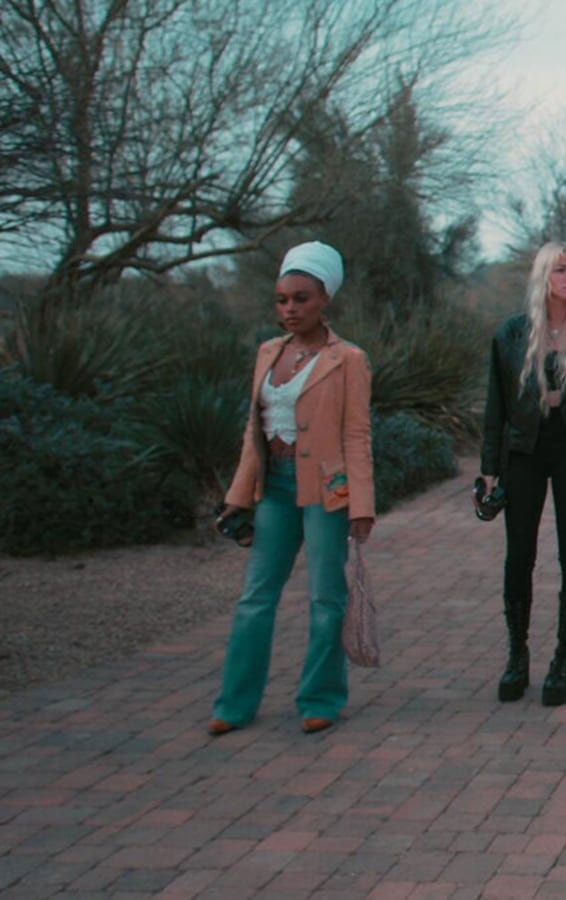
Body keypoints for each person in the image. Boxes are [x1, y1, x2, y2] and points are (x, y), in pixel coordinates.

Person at [208, 241, 374, 737]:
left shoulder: (348, 359)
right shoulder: (267, 353)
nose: (289, 309)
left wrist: (361, 506)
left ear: (325, 299)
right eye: (282, 299)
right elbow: (251, 432)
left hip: (327, 492)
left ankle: (320, 697)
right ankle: (234, 704)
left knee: (326, 597)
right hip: (273, 489)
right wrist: (237, 498)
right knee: (255, 597)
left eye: (301, 299)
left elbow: (356, 435)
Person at [480, 241, 566, 706]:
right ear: (544, 275)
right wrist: (488, 471)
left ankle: (563, 658)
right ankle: (516, 656)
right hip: (522, 452)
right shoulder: (512, 334)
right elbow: (495, 409)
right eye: (560, 270)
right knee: (518, 556)